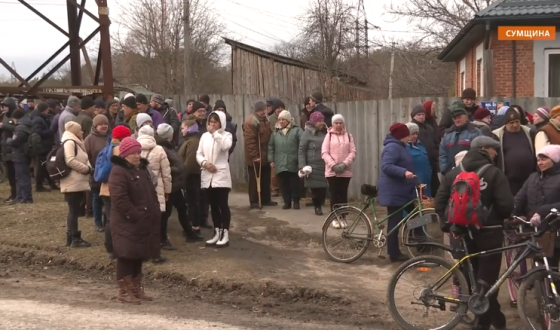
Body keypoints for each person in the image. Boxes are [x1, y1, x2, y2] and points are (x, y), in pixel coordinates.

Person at [435, 136, 514, 330]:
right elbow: (506, 206)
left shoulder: (454, 172)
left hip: (462, 234)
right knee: (487, 282)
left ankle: (496, 320)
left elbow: (440, 202)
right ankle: (482, 325)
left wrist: (449, 226)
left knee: (474, 280)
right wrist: (495, 217)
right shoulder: (494, 173)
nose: (496, 153)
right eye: (494, 149)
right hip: (490, 233)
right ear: (485, 149)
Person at [108, 136, 160, 304]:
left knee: (138, 254)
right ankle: (124, 290)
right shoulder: (118, 171)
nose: (137, 156)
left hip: (142, 220)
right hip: (126, 221)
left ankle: (136, 288)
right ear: (124, 155)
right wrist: (135, 214)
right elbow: (119, 198)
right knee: (126, 255)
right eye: (133, 153)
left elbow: (150, 193)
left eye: (138, 152)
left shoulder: (141, 170)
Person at [156, 123, 204, 247]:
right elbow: (163, 166)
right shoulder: (162, 148)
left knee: (182, 208)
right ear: (168, 135)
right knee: (166, 213)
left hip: (174, 184)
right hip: (169, 184)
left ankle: (189, 233)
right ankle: (162, 239)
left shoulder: (167, 146)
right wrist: (178, 169)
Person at [515, 145, 560, 269]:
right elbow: (520, 198)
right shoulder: (532, 177)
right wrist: (510, 211)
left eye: (544, 159)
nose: (540, 162)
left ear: (555, 160)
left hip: (555, 228)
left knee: (552, 267)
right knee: (540, 266)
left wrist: (543, 210)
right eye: (538, 160)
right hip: (537, 230)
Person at [378, 123, 415, 262]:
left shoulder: (400, 146)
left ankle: (419, 241)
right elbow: (386, 166)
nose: (409, 137)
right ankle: (393, 253)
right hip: (393, 190)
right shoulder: (393, 147)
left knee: (413, 214)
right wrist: (403, 172)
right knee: (394, 222)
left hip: (401, 190)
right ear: (401, 136)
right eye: (407, 135)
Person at [196, 111, 233, 247]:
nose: (212, 124)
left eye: (215, 122)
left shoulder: (226, 135)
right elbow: (198, 153)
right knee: (213, 205)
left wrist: (215, 133)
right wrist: (204, 163)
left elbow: (226, 146)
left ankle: (225, 233)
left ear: (220, 123)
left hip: (221, 175)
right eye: (210, 122)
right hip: (208, 174)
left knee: (223, 204)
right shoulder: (204, 136)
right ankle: (217, 232)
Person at [137, 125, 171, 263]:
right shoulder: (159, 150)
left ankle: (141, 250)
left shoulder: (134, 149)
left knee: (141, 220)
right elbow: (166, 173)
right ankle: (155, 251)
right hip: (157, 188)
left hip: (139, 188)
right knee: (156, 221)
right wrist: (167, 190)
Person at [99, 125, 131, 259]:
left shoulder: (106, 149)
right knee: (119, 220)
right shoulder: (122, 151)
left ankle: (109, 248)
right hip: (118, 190)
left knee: (109, 219)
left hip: (105, 189)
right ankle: (118, 248)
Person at [60, 122, 93, 248]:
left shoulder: (76, 142)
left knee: (73, 210)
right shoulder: (70, 142)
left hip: (76, 181)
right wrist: (86, 169)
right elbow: (70, 160)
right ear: (75, 132)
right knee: (73, 210)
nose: (82, 132)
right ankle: (74, 238)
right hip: (72, 182)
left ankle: (71, 237)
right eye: (80, 130)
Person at [321, 114, 357, 226]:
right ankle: (335, 218)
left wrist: (344, 164)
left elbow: (353, 152)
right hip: (332, 171)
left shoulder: (349, 136)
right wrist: (333, 165)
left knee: (343, 194)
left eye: (340, 122)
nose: (338, 125)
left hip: (345, 171)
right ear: (332, 124)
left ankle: (343, 217)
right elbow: (324, 152)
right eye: (336, 123)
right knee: (334, 194)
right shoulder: (329, 136)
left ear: (343, 124)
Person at [492, 107, 535, 196]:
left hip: (529, 179)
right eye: (511, 123)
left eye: (517, 122)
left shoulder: (529, 132)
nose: (515, 125)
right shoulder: (497, 135)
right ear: (505, 124)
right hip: (509, 181)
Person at [243, 101, 277, 209]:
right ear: (256, 111)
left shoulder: (265, 120)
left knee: (265, 178)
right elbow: (250, 141)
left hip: (265, 153)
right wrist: (254, 156)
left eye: (265, 110)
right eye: (261, 110)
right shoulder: (251, 122)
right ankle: (254, 201)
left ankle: (266, 199)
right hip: (256, 155)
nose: (264, 112)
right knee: (254, 179)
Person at [269, 110, 303, 209]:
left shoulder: (297, 130)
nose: (281, 121)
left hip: (293, 161)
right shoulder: (275, 133)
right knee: (283, 184)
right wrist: (271, 159)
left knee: (294, 183)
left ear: (288, 120)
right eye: (279, 119)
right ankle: (287, 202)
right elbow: (271, 147)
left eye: (283, 119)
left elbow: (302, 145)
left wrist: (300, 160)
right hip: (280, 162)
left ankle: (296, 201)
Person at [439, 101, 482, 175]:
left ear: (466, 117)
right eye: (455, 118)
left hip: (470, 174)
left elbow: (479, 153)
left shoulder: (475, 132)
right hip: (450, 173)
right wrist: (445, 169)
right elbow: (443, 153)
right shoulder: (448, 134)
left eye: (459, 117)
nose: (457, 120)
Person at [178, 117, 205, 237]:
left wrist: (182, 175)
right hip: (189, 176)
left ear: (189, 129)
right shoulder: (189, 140)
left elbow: (190, 162)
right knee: (191, 201)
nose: (181, 130)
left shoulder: (193, 142)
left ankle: (195, 227)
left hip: (191, 177)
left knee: (193, 202)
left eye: (183, 128)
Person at [298, 111, 328, 215]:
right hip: (312, 165)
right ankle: (317, 206)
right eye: (319, 121)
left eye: (322, 120)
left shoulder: (326, 132)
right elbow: (301, 150)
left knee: (323, 187)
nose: (321, 122)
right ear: (313, 122)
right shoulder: (307, 133)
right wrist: (302, 165)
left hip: (325, 163)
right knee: (315, 187)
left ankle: (321, 202)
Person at [84, 114, 110, 232]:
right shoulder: (89, 139)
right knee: (96, 198)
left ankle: (107, 221)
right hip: (95, 172)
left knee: (107, 199)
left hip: (109, 174)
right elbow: (85, 157)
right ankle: (98, 222)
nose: (104, 126)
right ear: (95, 126)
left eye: (105, 124)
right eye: (101, 124)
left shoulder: (110, 137)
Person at [8, 109, 34, 204]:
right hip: (24, 153)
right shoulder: (27, 125)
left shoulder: (20, 128)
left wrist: (9, 140)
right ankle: (20, 197)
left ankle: (26, 197)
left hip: (20, 154)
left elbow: (16, 142)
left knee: (22, 176)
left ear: (16, 118)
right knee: (21, 176)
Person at [405, 122, 432, 196]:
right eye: (412, 134)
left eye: (416, 134)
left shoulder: (421, 145)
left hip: (426, 181)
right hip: (414, 182)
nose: (415, 136)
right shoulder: (404, 148)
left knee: (426, 204)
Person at [1, 97, 17, 202]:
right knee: (10, 174)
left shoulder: (15, 116)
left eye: (6, 106)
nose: (4, 108)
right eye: (3, 106)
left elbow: (17, 128)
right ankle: (13, 193)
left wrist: (4, 126)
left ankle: (16, 194)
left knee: (15, 174)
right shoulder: (3, 116)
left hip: (13, 148)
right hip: (5, 148)